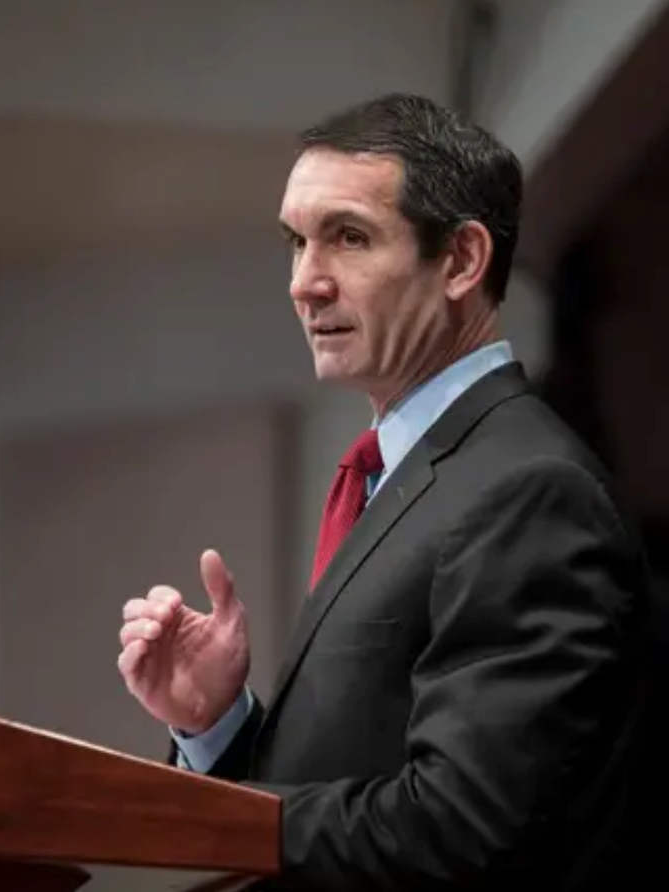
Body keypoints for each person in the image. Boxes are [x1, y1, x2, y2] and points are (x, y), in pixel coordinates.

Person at [116, 93, 662, 890]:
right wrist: (216, 726)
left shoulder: (529, 491)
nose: (305, 283)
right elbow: (350, 785)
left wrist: (221, 823)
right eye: (296, 243)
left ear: (462, 261)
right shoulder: (417, 472)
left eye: (347, 237)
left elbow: (467, 825)